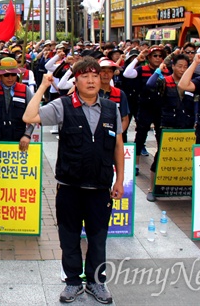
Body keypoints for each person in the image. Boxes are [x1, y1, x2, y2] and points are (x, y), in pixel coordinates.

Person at [22, 57, 124, 305]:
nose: (91, 80)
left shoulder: (112, 109)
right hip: (69, 187)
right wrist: (44, 86)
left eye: (95, 75)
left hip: (100, 187)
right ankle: (73, 282)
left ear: (101, 79)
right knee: (69, 238)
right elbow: (29, 116)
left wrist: (119, 180)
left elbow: (118, 146)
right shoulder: (63, 106)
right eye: (84, 76)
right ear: (75, 81)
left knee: (98, 238)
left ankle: (96, 282)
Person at [144, 54, 195, 201]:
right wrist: (159, 69)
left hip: (187, 125)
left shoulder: (191, 83)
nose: (182, 69)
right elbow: (149, 85)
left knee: (186, 156)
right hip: (166, 125)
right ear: (172, 66)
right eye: (179, 66)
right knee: (161, 154)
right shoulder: (164, 82)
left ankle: (186, 187)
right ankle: (152, 188)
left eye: (185, 67)